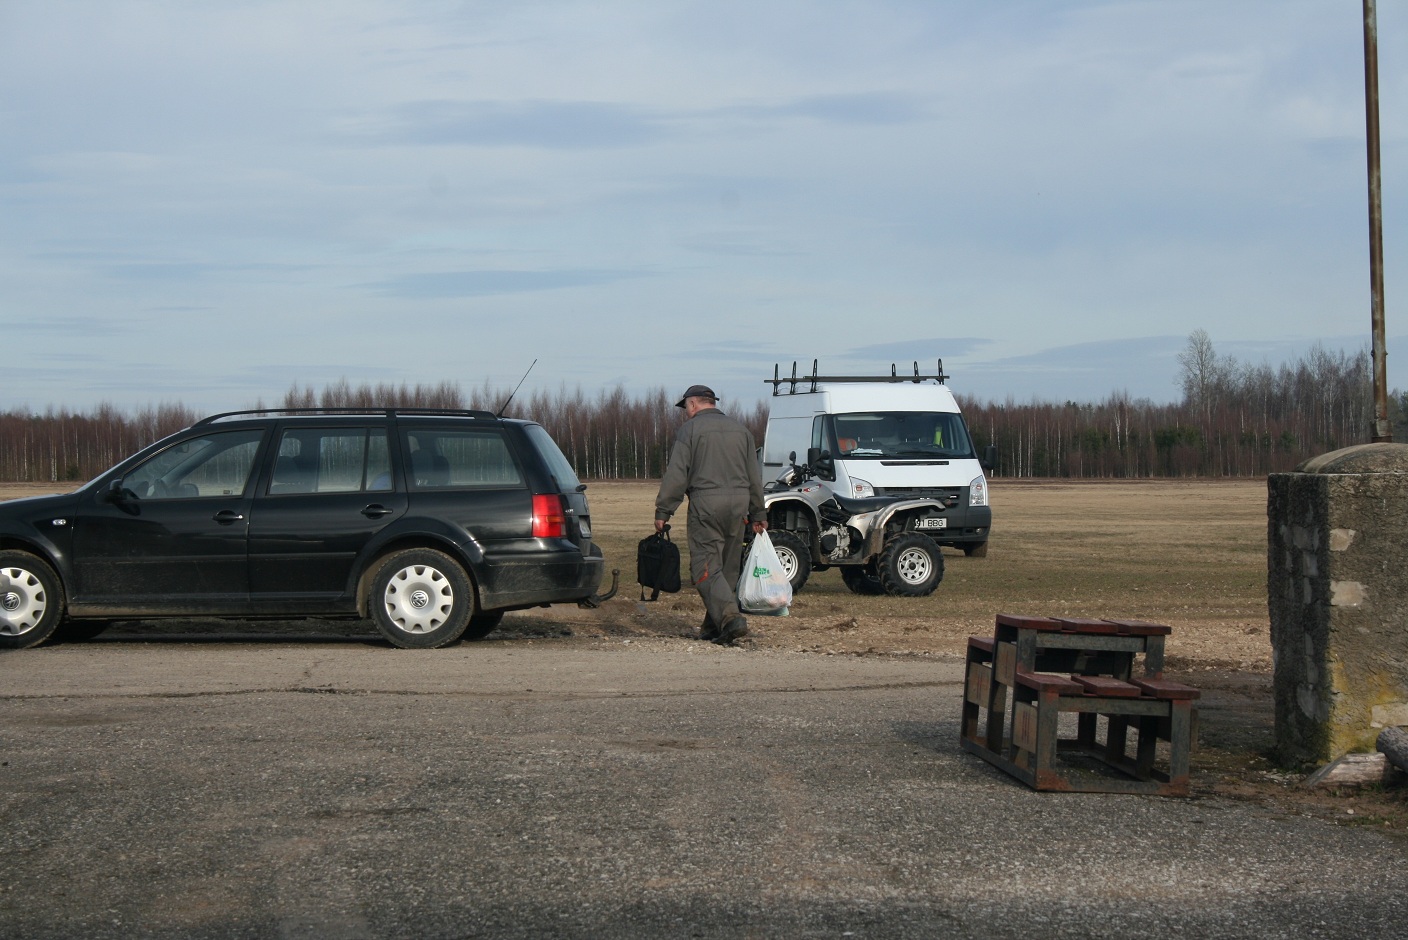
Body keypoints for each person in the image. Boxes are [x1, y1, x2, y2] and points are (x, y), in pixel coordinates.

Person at [655, 384, 767, 645]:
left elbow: (677, 473)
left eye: (686, 408)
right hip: (739, 505)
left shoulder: (690, 430)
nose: (686, 413)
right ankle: (714, 628)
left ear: (692, 404)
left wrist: (664, 510)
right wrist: (758, 511)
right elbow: (754, 474)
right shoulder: (742, 431)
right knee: (727, 568)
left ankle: (730, 617)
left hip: (707, 503)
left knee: (704, 568)